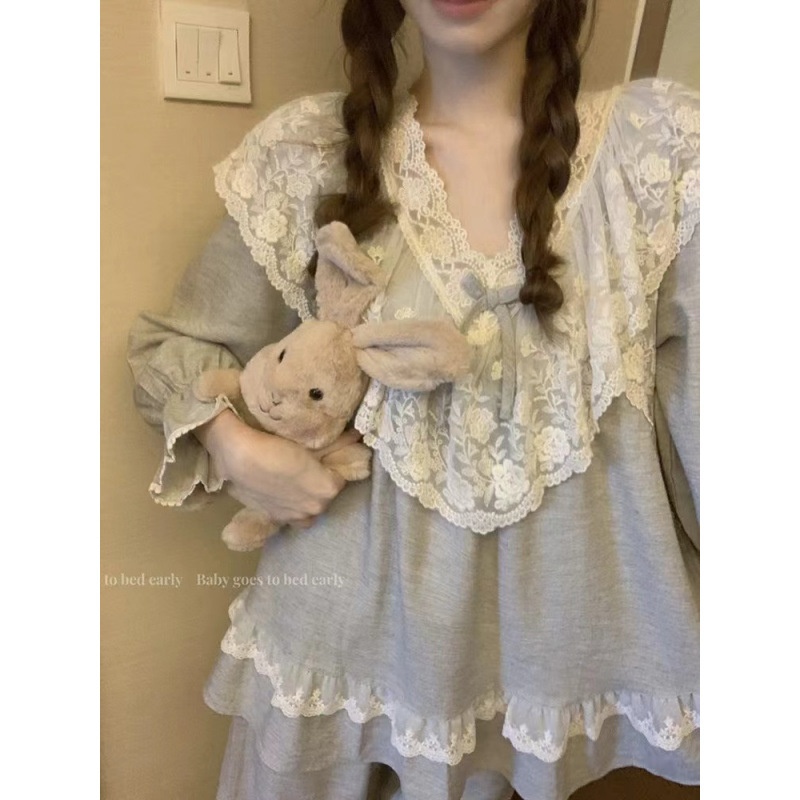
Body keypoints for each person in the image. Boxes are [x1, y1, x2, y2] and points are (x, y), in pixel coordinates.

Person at [127, 0, 700, 797]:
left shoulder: (657, 159)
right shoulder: (308, 158)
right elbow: (171, 351)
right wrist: (239, 449)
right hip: (327, 684)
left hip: (540, 704)